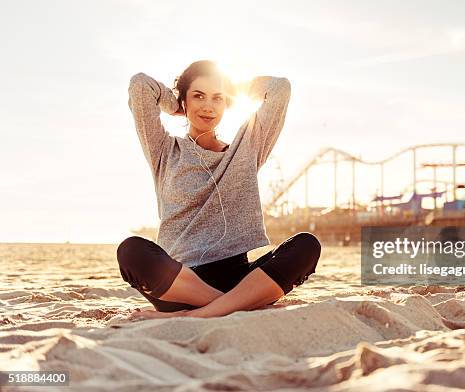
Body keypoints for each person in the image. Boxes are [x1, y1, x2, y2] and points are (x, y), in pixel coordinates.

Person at [117, 60, 321, 320]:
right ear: (185, 102)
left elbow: (279, 89)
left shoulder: (247, 148)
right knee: (131, 250)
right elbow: (140, 86)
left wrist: (231, 88)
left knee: (305, 245)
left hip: (239, 280)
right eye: (198, 96)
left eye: (217, 98)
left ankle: (189, 316)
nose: (208, 106)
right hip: (179, 286)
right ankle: (233, 307)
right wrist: (175, 103)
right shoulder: (164, 151)